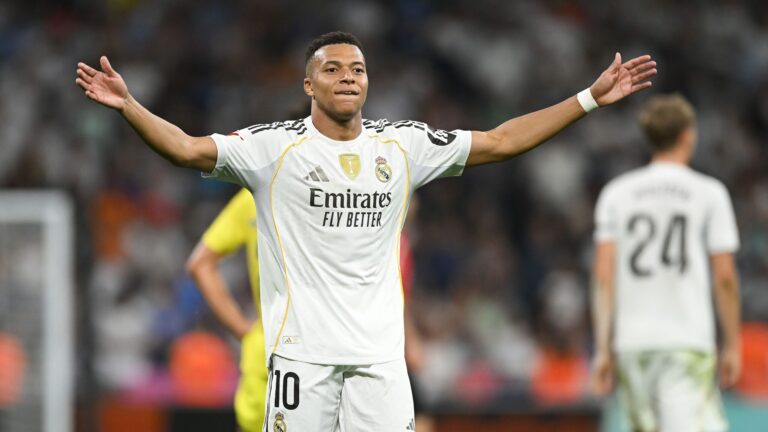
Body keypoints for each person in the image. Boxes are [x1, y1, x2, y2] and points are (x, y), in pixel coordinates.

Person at [76, 31, 655, 431]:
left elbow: (501, 141)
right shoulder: (272, 148)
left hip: (380, 360)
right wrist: (129, 106)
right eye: (332, 69)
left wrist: (588, 99)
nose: (347, 77)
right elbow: (185, 149)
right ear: (309, 86)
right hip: (301, 358)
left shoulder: (401, 145)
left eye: (357, 69)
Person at [590, 94, 741, 432]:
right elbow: (725, 277)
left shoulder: (616, 193)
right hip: (686, 340)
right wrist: (732, 344)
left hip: (632, 343)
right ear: (688, 135)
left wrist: (602, 348)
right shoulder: (709, 193)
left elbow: (603, 277)